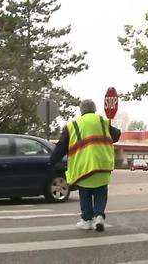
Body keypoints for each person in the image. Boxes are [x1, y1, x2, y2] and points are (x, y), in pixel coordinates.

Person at [50, 99, 121, 232]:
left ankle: (86, 220)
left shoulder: (73, 125)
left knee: (85, 193)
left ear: (81, 110)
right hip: (102, 164)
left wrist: (52, 161)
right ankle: (99, 216)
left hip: (84, 166)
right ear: (94, 109)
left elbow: (61, 147)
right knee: (100, 192)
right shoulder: (103, 121)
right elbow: (116, 135)